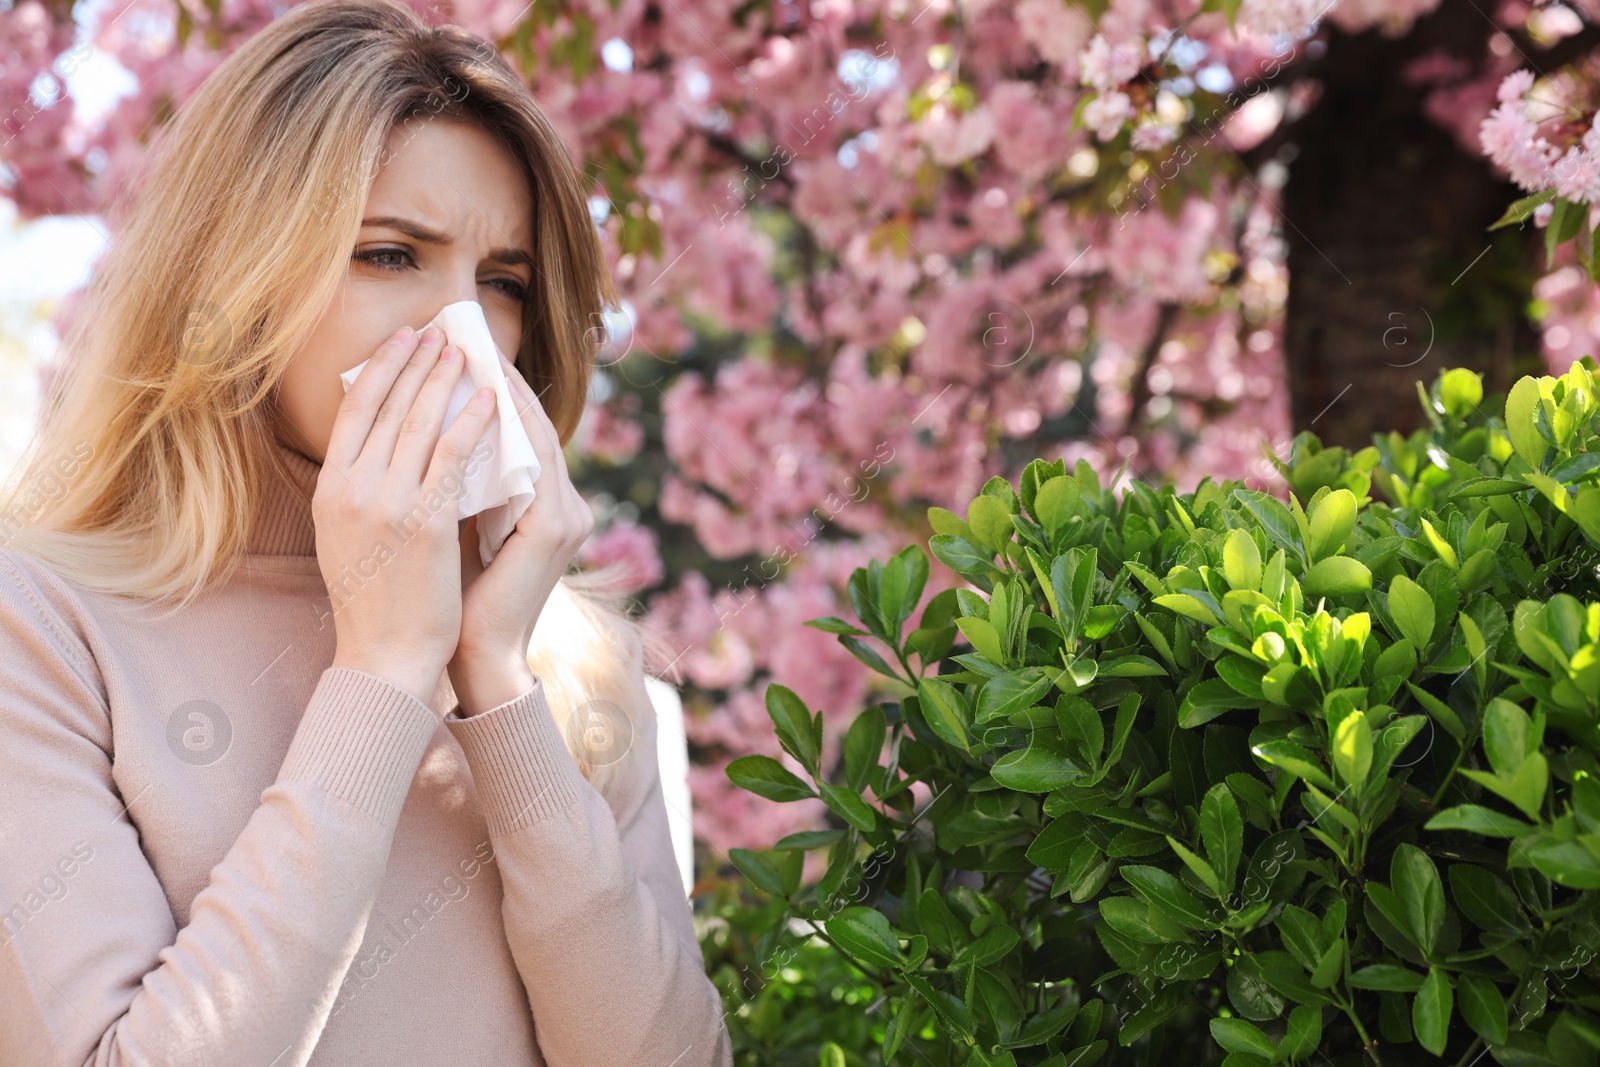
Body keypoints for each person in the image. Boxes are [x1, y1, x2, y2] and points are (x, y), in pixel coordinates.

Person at [0, 1, 732, 1063]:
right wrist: (383, 670)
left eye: (503, 282)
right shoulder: (43, 628)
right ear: (234, 280)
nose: (463, 331)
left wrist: (497, 680)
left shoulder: (569, 656)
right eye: (391, 256)